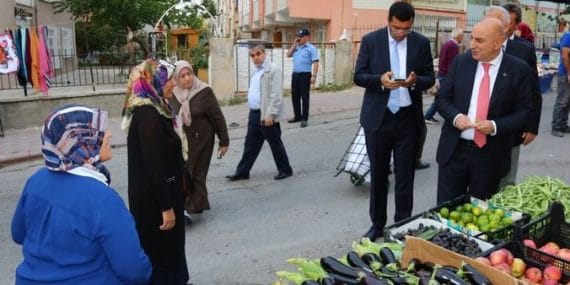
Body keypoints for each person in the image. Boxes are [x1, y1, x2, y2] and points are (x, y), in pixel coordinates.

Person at [11, 104, 151, 284]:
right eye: (96, 132)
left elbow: (18, 234)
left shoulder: (36, 181)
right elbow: (134, 270)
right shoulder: (102, 199)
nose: (108, 134)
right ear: (78, 144)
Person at [354, 1, 435, 241]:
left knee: (405, 177)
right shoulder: (371, 41)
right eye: (396, 28)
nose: (401, 33)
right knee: (378, 177)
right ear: (388, 21)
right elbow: (358, 75)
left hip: (408, 121)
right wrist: (380, 80)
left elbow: (429, 77)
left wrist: (414, 82)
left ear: (412, 24)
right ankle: (377, 225)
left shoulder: (421, 43)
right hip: (378, 120)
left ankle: (403, 225)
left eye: (406, 29)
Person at [436, 18, 532, 204]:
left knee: (480, 214)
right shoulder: (461, 62)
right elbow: (442, 99)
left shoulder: (518, 70)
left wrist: (495, 126)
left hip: (490, 156)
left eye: (479, 40)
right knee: (445, 210)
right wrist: (455, 117)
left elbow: (523, 112)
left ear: (497, 43)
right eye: (471, 38)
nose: (472, 45)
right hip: (454, 152)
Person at [122, 59, 190, 284]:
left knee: (171, 254)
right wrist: (166, 207)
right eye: (169, 79)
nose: (173, 84)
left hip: (165, 194)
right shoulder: (147, 115)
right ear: (154, 80)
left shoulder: (158, 107)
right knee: (162, 256)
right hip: (155, 204)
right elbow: (153, 165)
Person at [485, 5, 541, 188]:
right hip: (481, 122)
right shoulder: (479, 46)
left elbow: (533, 90)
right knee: (482, 177)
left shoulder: (524, 50)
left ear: (512, 25)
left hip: (510, 124)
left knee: (506, 179)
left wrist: (532, 126)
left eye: (502, 22)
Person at [169, 60, 229, 221]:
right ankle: (192, 204)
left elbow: (217, 117)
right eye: (182, 76)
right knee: (185, 172)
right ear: (176, 78)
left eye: (189, 74)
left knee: (198, 173)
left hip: (202, 139)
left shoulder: (204, 91)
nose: (187, 78)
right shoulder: (172, 93)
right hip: (181, 141)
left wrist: (224, 141)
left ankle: (190, 206)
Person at [226, 44, 294, 181]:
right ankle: (243, 172)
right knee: (250, 144)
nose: (255, 58)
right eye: (252, 55)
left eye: (258, 54)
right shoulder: (256, 72)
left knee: (275, 143)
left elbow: (276, 95)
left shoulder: (273, 70)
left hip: (266, 115)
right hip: (254, 114)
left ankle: (285, 169)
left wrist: (270, 115)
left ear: (264, 54)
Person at [425, 28, 463, 124]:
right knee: (442, 97)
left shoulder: (447, 44)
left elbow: (442, 59)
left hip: (442, 73)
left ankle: (431, 115)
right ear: (458, 36)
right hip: (447, 75)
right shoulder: (453, 46)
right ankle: (428, 116)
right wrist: (453, 77)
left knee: (440, 97)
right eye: (462, 36)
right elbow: (452, 63)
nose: (462, 38)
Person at [286, 28, 319, 128]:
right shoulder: (296, 47)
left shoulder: (311, 48)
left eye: (300, 36)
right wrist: (294, 45)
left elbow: (316, 62)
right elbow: (288, 55)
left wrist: (314, 76)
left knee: (304, 97)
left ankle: (304, 119)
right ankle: (297, 116)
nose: (298, 38)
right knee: (295, 97)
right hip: (295, 75)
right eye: (298, 36)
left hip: (305, 75)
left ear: (307, 37)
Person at [552, 25, 570, 137]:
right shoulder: (568, 36)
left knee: (568, 102)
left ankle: (563, 125)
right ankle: (556, 127)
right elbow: (564, 55)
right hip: (565, 74)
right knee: (562, 101)